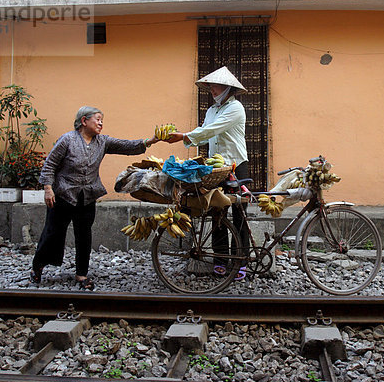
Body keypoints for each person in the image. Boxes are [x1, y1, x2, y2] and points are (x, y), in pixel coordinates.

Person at [30, 106, 160, 290]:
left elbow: (126, 145)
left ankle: (81, 274)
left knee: (84, 236)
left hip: (87, 196)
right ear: (84, 121)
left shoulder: (102, 142)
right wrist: (48, 188)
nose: (101, 123)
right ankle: (38, 266)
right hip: (63, 194)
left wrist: (150, 141)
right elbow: (50, 164)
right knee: (52, 233)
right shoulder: (67, 140)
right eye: (97, 119)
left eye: (102, 120)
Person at [166, 66, 250, 279]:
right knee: (217, 213)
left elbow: (213, 130)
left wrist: (185, 135)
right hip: (215, 168)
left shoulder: (236, 108)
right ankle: (221, 259)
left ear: (226, 88)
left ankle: (241, 261)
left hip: (236, 165)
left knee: (239, 215)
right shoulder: (211, 111)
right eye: (211, 86)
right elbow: (204, 136)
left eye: (215, 86)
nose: (212, 90)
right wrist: (187, 140)